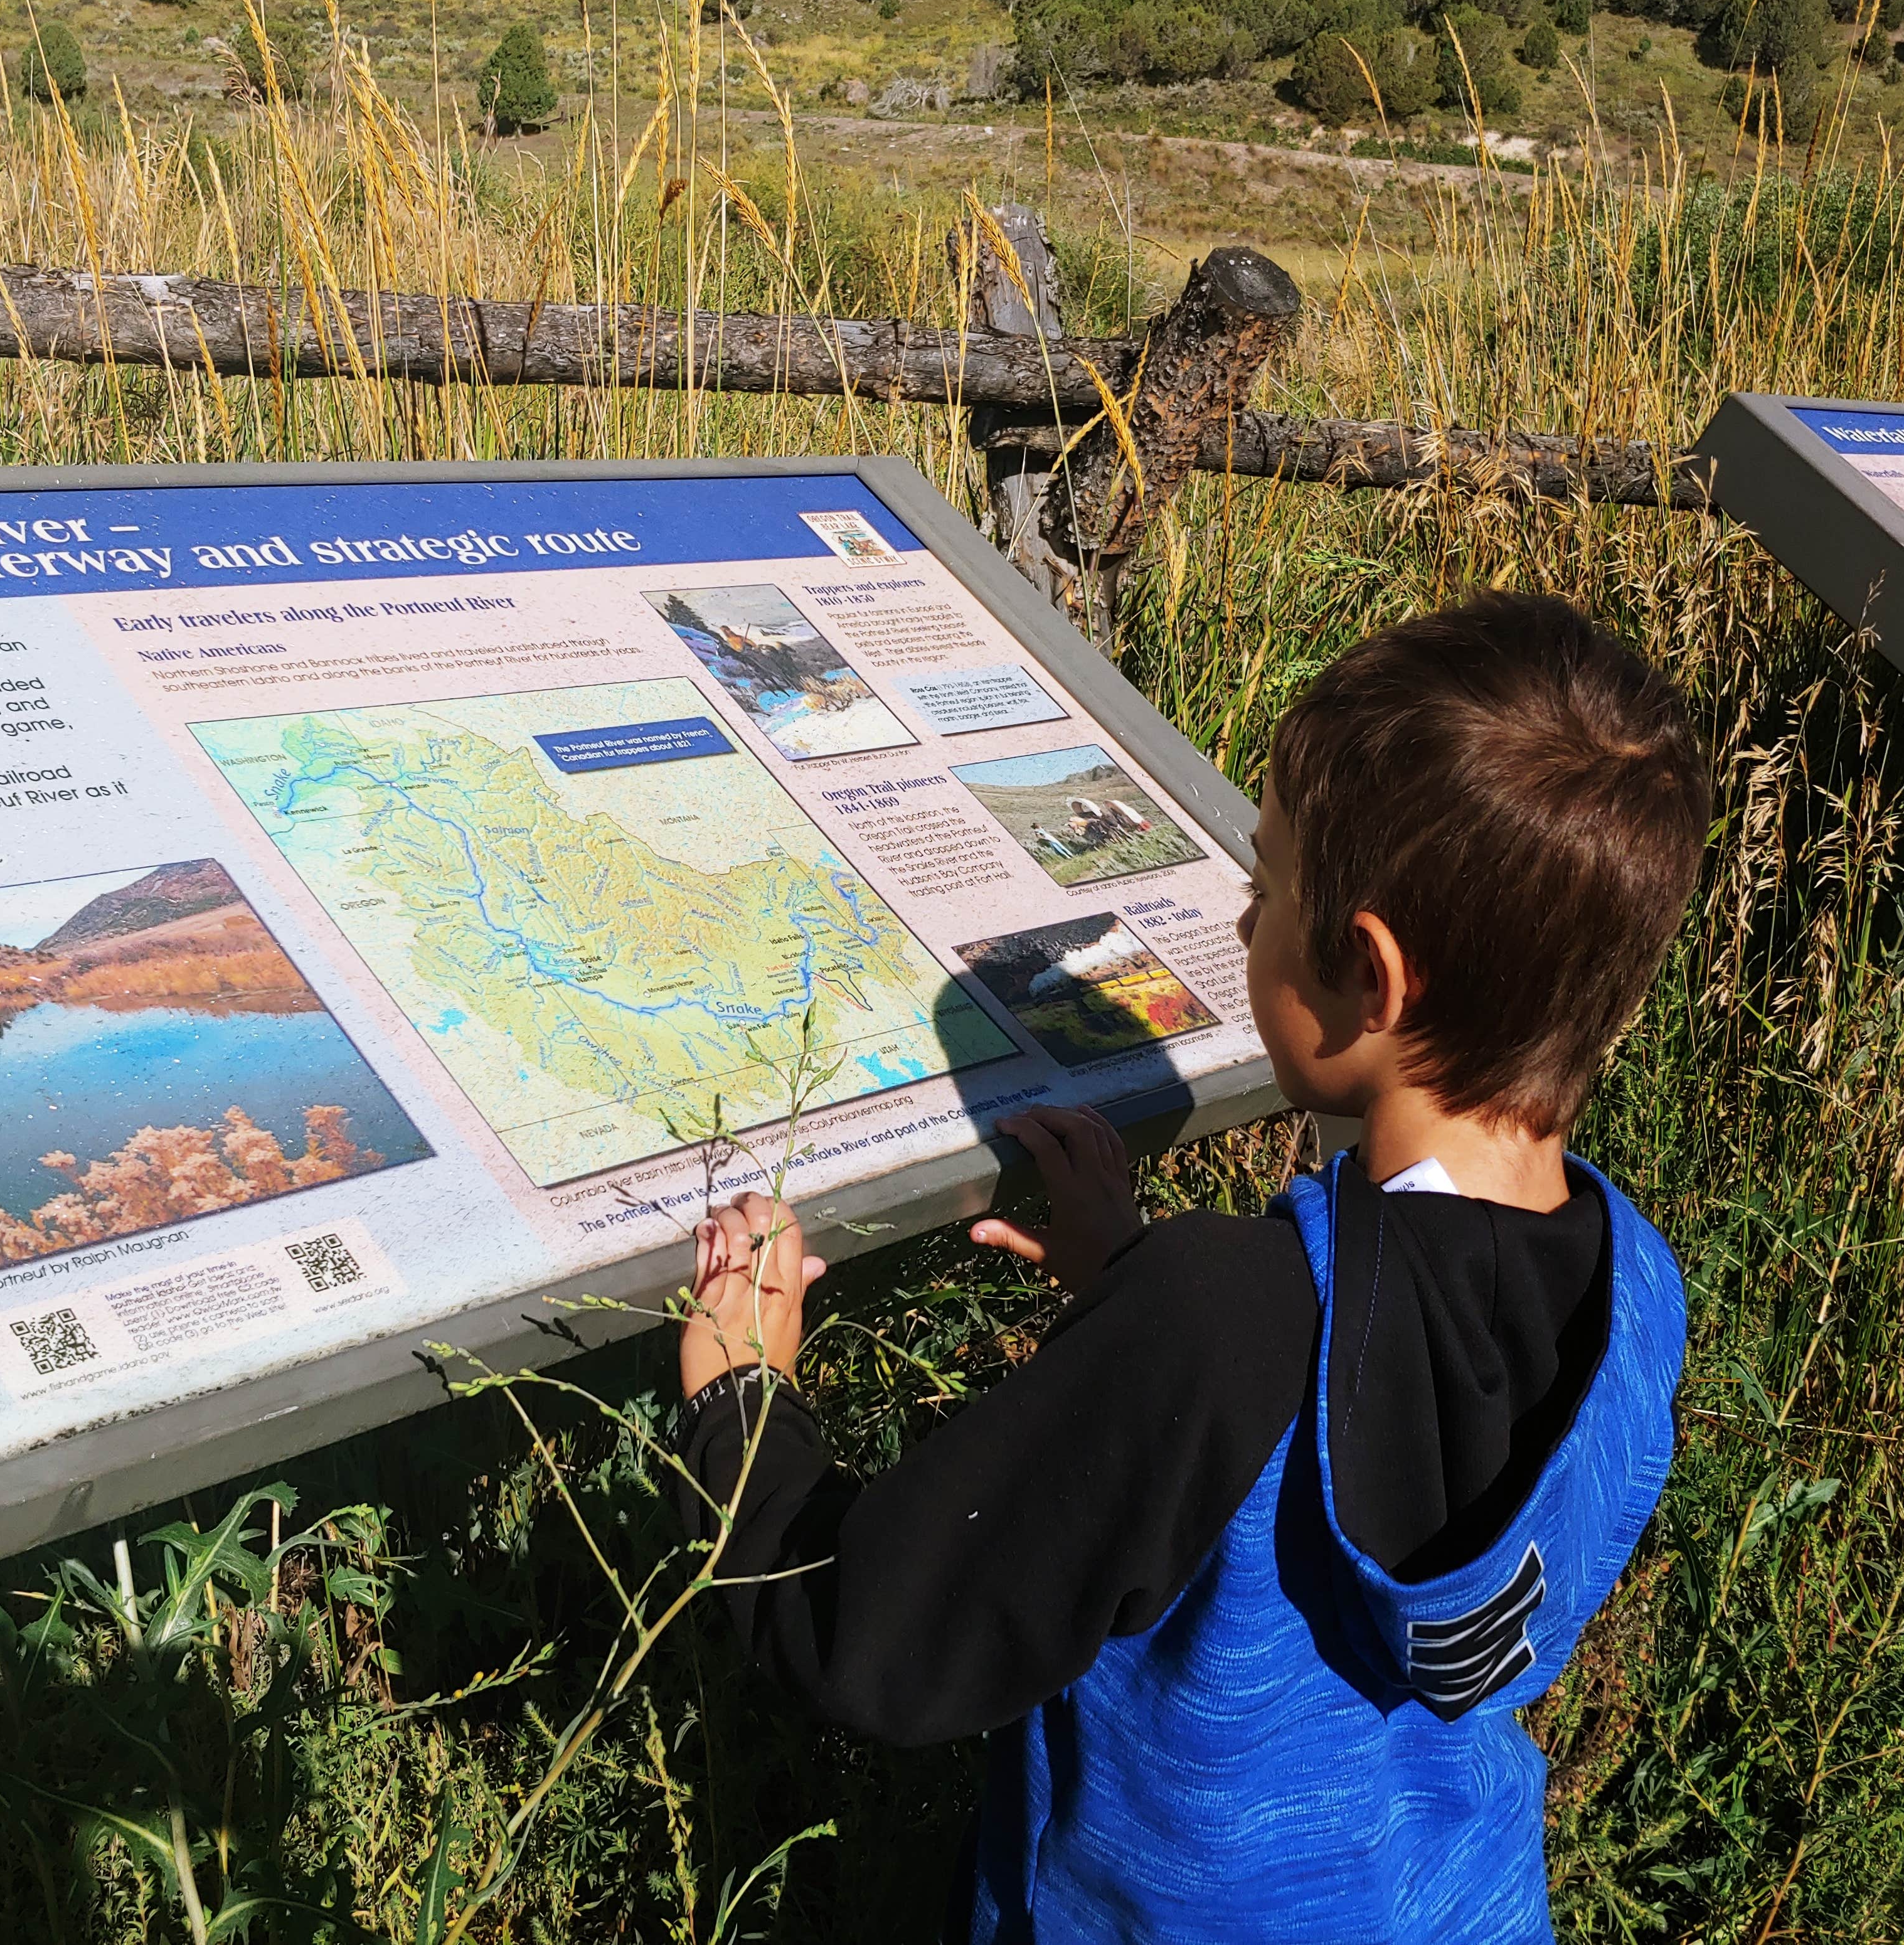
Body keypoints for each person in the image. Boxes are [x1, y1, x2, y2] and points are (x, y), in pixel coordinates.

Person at [670, 591, 1712, 1942]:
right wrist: (1136, 1274)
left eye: (1267, 888)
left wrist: (739, 1402)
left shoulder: (1224, 1321)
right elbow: (1371, 1400)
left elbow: (871, 1638)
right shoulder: (1637, 1287)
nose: (1242, 923)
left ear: (1369, 974)